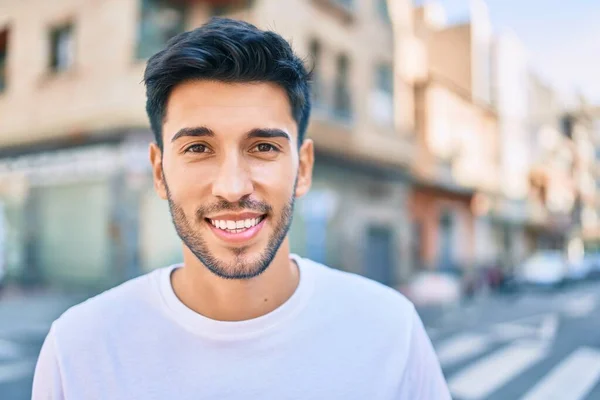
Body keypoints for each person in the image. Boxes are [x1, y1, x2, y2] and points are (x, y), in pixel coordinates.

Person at [32, 17, 450, 399]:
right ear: (159, 172)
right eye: (198, 147)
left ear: (302, 168)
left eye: (263, 147)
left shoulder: (391, 330)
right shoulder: (78, 349)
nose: (233, 187)